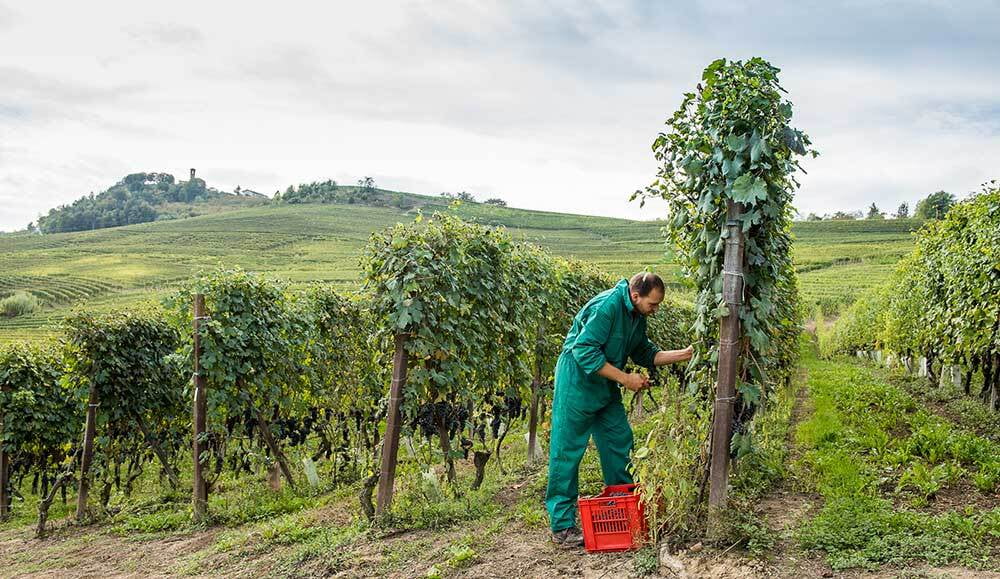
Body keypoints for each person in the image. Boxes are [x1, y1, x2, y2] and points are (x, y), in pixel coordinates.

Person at [546, 272, 694, 548]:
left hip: (604, 386)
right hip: (577, 384)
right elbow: (584, 350)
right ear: (635, 295)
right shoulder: (607, 307)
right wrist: (626, 379)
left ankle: (621, 509)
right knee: (567, 453)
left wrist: (685, 354)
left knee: (619, 440)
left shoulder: (636, 316)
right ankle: (563, 527)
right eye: (653, 304)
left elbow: (645, 353)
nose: (656, 310)